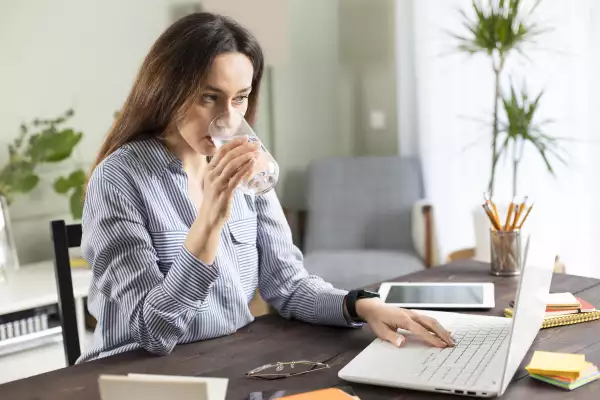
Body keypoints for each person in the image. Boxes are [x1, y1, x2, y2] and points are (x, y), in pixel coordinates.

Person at [78, 12, 454, 362]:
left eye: (239, 98)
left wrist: (360, 305)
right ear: (168, 90)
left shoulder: (247, 167)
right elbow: (152, 331)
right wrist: (209, 222)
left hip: (226, 364)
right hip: (138, 377)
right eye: (210, 98)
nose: (228, 119)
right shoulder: (119, 179)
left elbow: (287, 284)